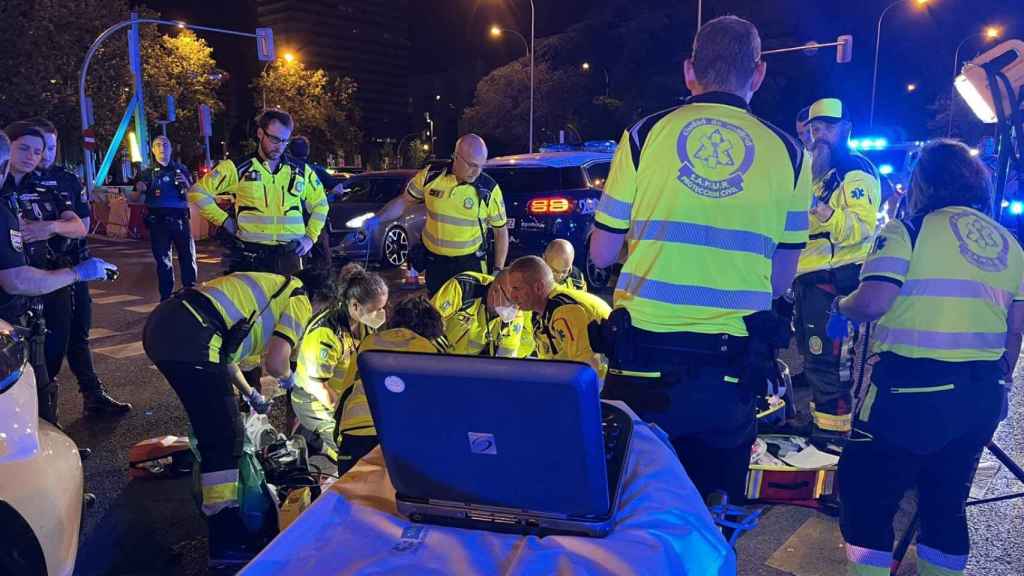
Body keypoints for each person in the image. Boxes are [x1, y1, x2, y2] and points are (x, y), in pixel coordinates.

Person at [588, 16, 812, 502]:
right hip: (730, 369)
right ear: (758, 74)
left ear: (690, 71)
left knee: (632, 515)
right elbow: (780, 279)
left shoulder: (644, 137)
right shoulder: (792, 154)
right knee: (715, 516)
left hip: (642, 362)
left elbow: (602, 251)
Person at [829, 140, 1022, 576]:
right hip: (983, 393)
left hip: (908, 391)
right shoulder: (1009, 244)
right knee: (945, 502)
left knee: (868, 498)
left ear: (923, 182)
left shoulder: (908, 230)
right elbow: (1015, 329)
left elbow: (875, 300)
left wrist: (841, 306)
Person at [143, 266, 337, 566]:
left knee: (217, 431)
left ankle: (225, 529)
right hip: (190, 335)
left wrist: (251, 394)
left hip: (165, 327)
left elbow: (224, 359)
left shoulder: (266, 294)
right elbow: (276, 361)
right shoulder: (299, 296)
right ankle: (226, 539)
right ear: (320, 300)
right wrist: (291, 380)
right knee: (223, 440)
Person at [0, 127, 118, 424]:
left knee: (51, 354)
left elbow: (79, 224)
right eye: (24, 148)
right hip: (17, 288)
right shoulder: (4, 198)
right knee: (16, 372)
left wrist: (47, 228)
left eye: (38, 151)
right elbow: (15, 279)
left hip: (51, 278)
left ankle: (50, 430)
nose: (32, 156)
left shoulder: (48, 185)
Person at [793, 98, 881, 440]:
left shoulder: (855, 171)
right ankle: (821, 425)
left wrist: (820, 210)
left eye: (828, 128)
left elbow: (861, 228)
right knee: (814, 360)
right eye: (815, 129)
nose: (820, 136)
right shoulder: (818, 173)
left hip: (836, 280)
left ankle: (834, 442)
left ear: (845, 129)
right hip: (810, 279)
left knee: (832, 366)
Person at [33, 118, 130, 415]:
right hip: (43, 273)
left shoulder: (67, 179)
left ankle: (93, 395)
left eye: (51, 146)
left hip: (76, 263)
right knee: (50, 343)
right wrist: (61, 227)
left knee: (79, 333)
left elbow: (83, 225)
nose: (45, 153)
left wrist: (49, 227)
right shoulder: (20, 181)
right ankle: (46, 415)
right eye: (40, 147)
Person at [189, 110, 328, 275]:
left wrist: (310, 238)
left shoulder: (301, 171)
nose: (280, 146)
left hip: (290, 255)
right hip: (251, 255)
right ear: (260, 133)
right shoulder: (237, 168)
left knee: (290, 301)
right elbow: (197, 192)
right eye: (275, 139)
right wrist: (224, 221)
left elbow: (321, 204)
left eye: (285, 141)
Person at [371, 134, 509, 295]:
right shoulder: (431, 176)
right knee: (436, 312)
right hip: (435, 263)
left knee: (467, 316)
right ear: (456, 157)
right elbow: (404, 201)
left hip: (470, 264)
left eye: (481, 166)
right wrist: (376, 220)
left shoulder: (488, 190)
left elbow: (501, 231)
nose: (476, 172)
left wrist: (498, 270)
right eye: (472, 165)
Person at [333, 296, 447, 474]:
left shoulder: (368, 343)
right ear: (432, 328)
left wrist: (340, 436)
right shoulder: (427, 350)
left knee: (353, 499)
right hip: (397, 440)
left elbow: (347, 391)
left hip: (353, 437)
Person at [292, 263, 387, 462]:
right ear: (354, 306)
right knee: (352, 446)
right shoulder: (325, 333)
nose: (380, 314)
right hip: (316, 402)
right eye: (376, 309)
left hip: (344, 396)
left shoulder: (363, 324)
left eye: (383, 308)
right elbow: (318, 387)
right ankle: (316, 441)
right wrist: (345, 417)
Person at [502, 256, 610, 376]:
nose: (512, 296)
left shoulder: (565, 310)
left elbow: (588, 368)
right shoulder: (540, 314)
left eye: (517, 288)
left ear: (538, 287)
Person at [131, 135, 197, 301]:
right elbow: (133, 199)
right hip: (158, 222)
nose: (162, 147)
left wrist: (187, 185)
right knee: (163, 262)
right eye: (158, 145)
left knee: (187, 258)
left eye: (165, 144)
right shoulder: (146, 173)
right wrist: (139, 190)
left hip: (181, 220)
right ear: (153, 150)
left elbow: (195, 195)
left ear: (171, 149)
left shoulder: (181, 169)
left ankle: (191, 294)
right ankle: (166, 298)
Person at [431, 270, 529, 357]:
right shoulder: (463, 287)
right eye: (510, 302)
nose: (515, 309)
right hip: (438, 357)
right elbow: (427, 323)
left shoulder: (516, 312)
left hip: (471, 366)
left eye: (518, 304)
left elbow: (507, 354)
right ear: (495, 291)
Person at [286, 136, 342, 268]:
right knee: (323, 265)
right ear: (308, 151)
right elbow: (338, 189)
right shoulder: (313, 170)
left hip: (291, 228)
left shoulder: (284, 170)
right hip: (315, 226)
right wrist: (329, 197)